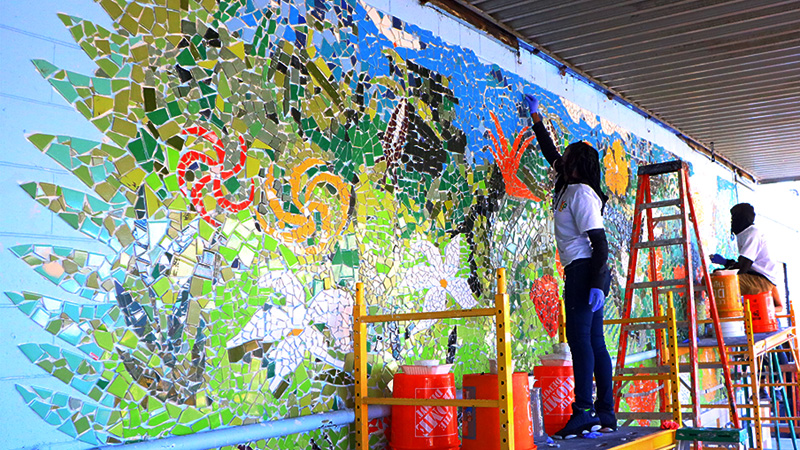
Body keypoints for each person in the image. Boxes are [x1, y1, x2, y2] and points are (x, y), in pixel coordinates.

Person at [524, 94, 615, 439]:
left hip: (584, 271)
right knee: (593, 341)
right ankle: (604, 412)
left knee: (582, 342)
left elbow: (600, 242)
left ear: (578, 164)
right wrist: (535, 119)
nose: (562, 160)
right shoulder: (568, 186)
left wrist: (596, 283)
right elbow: (551, 154)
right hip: (582, 271)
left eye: (569, 158)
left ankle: (585, 411)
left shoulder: (580, 194)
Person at [710, 203, 783, 313]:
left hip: (761, 281)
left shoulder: (753, 233)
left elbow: (743, 267)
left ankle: (728, 316)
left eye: (734, 217)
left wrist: (724, 273)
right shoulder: (745, 233)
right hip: (755, 276)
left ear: (741, 219)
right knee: (711, 279)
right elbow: (743, 264)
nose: (732, 221)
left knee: (716, 283)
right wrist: (725, 263)